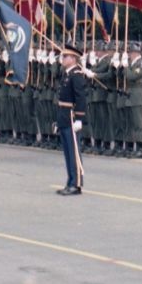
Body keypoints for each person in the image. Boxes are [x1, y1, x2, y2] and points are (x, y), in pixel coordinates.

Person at [56, 43, 88, 194]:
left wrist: (79, 119)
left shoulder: (76, 75)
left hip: (71, 115)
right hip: (64, 114)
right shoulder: (67, 74)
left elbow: (81, 98)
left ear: (74, 58)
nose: (62, 58)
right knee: (67, 152)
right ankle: (70, 181)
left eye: (65, 56)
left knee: (74, 151)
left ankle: (76, 184)